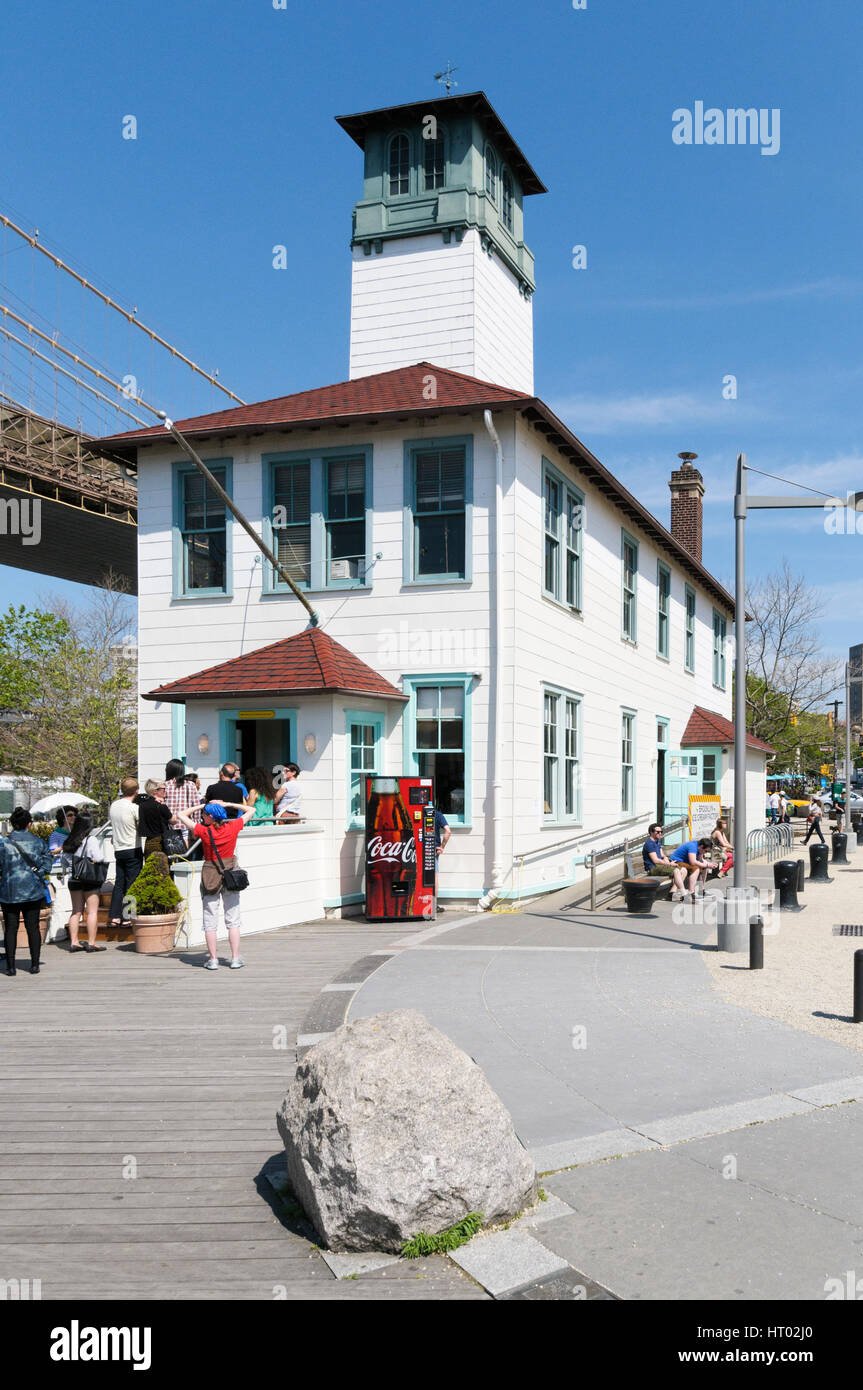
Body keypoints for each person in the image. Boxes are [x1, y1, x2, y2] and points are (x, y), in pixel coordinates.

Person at [175, 800, 255, 970]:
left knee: (210, 918)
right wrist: (227, 804)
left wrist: (201, 805)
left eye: (204, 814)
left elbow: (181, 815)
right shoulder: (233, 827)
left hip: (210, 875)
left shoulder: (203, 831)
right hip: (230, 874)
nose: (202, 816)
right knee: (233, 918)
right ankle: (234, 958)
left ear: (210, 817)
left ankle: (213, 959)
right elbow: (251, 810)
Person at [0, 807, 52, 976]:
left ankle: (10, 966)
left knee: (10, 929)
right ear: (29, 824)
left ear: (12, 824)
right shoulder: (38, 842)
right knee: (33, 927)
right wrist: (39, 873)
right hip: (33, 890)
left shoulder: (3, 843)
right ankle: (35, 964)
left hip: (10, 891)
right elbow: (48, 863)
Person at [63, 812, 109, 954]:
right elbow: (98, 857)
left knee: (76, 911)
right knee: (92, 912)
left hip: (74, 879)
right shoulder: (91, 840)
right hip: (90, 879)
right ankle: (91, 943)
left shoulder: (69, 840)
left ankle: (74, 942)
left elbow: (64, 861)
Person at [109, 777, 142, 928]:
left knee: (119, 882)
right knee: (132, 882)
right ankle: (128, 916)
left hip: (118, 847)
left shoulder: (113, 806)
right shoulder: (134, 808)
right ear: (136, 791)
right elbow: (140, 825)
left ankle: (114, 916)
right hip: (132, 847)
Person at [641, 823, 687, 895]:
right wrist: (669, 863)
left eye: (661, 832)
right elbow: (655, 860)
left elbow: (662, 854)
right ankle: (684, 893)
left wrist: (665, 858)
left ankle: (672, 892)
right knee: (676, 870)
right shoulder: (649, 843)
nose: (660, 833)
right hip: (653, 868)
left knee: (684, 870)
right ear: (651, 832)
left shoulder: (657, 841)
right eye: (658, 832)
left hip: (660, 865)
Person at [668, 837, 714, 901]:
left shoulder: (699, 849)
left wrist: (710, 864)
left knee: (704, 868)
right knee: (696, 869)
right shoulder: (692, 847)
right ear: (701, 846)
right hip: (677, 861)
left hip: (685, 862)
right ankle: (691, 892)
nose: (705, 853)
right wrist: (707, 864)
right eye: (705, 851)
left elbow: (700, 860)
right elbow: (693, 862)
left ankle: (701, 890)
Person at [134, 779, 172, 857]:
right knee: (162, 866)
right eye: (163, 789)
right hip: (161, 842)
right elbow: (173, 820)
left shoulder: (142, 805)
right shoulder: (161, 806)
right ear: (155, 791)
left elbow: (138, 798)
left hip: (148, 842)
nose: (165, 791)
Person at [164, 759, 202, 835]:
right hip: (186, 823)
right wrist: (197, 824)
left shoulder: (165, 785)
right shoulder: (190, 785)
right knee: (186, 846)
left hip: (169, 825)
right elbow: (196, 806)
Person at [434, 807, 451, 910]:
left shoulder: (416, 811)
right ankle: (434, 905)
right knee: (434, 876)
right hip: (433, 849)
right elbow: (448, 831)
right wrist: (442, 847)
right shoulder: (437, 814)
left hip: (416, 848)